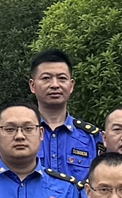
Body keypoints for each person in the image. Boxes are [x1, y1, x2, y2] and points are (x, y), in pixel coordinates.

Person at [28, 50, 98, 181]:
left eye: (62, 78)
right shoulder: (20, 134)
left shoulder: (92, 138)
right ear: (33, 86)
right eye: (46, 78)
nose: (55, 85)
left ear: (71, 85)